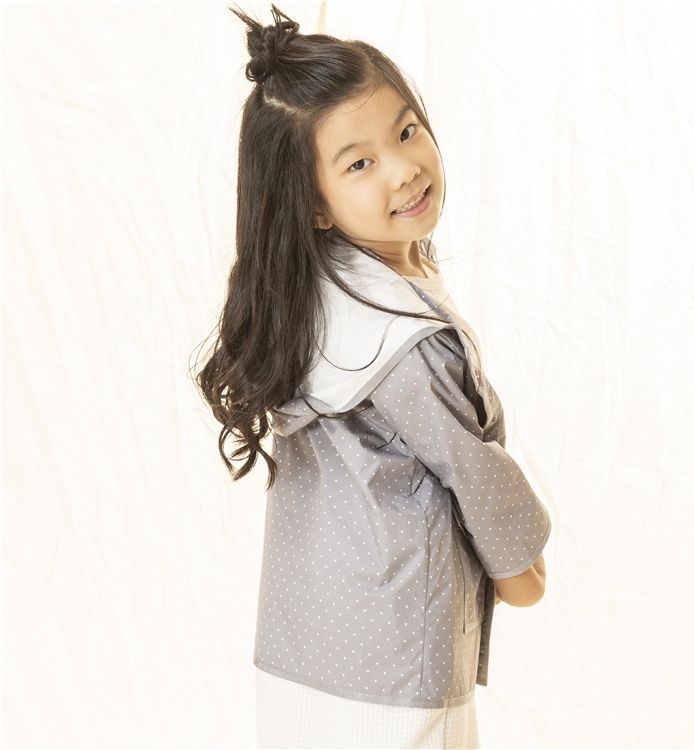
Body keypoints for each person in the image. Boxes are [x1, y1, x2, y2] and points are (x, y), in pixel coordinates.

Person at [192, 4, 552, 748]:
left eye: (406, 131)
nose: (403, 168)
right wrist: (521, 568)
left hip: (300, 643)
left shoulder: (307, 301)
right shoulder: (400, 338)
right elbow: (467, 461)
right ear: (314, 206)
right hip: (395, 659)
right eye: (359, 164)